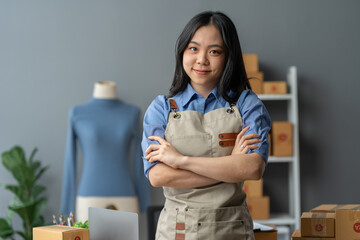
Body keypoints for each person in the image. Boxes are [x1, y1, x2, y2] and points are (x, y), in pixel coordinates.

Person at [141, 11, 271, 239]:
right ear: (182, 51)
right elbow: (158, 176)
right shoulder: (161, 108)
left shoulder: (247, 104)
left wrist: (182, 161)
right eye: (193, 48)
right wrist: (230, 166)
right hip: (177, 231)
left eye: (214, 51)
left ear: (228, 56)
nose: (202, 59)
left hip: (231, 230)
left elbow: (253, 168)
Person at [61, 81, 150, 222]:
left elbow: (141, 158)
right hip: (89, 195)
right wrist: (67, 204)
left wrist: (145, 199)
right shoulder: (77, 113)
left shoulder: (132, 113)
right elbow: (70, 160)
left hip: (125, 195)